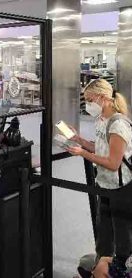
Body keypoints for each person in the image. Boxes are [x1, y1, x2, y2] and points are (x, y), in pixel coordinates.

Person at [66, 79, 132, 270]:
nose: (87, 104)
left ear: (102, 98)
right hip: (104, 184)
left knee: (123, 236)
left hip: (121, 187)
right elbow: (100, 148)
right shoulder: (102, 120)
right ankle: (101, 266)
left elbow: (113, 163)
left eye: (90, 99)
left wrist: (84, 154)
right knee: (104, 233)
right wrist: (78, 139)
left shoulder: (118, 125)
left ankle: (121, 270)